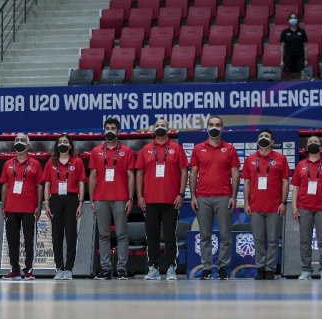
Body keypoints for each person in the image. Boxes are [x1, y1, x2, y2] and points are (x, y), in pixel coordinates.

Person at [136, 118, 188, 281]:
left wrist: (181, 194)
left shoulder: (176, 148)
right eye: (157, 125)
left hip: (171, 200)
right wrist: (139, 196)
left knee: (170, 236)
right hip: (150, 200)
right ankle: (153, 268)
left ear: (168, 129)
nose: (160, 127)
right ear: (153, 129)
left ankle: (171, 267)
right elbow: (139, 173)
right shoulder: (145, 150)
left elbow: (184, 171)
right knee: (152, 236)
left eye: (163, 126)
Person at [189, 116, 240, 280]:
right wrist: (193, 196)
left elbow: (235, 174)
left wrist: (233, 196)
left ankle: (223, 268)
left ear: (222, 129)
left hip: (224, 197)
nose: (214, 127)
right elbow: (193, 174)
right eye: (211, 125)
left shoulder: (229, 149)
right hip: (202, 197)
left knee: (225, 235)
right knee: (205, 235)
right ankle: (207, 268)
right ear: (207, 128)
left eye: (217, 125)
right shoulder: (198, 149)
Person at [88, 117, 133, 280]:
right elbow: (93, 176)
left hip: (120, 198)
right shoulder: (96, 151)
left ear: (119, 131)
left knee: (122, 235)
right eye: (107, 128)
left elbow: (130, 175)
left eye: (113, 128)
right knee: (103, 235)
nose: (110, 131)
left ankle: (122, 268)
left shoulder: (127, 151)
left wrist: (130, 198)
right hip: (101, 198)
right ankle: (105, 269)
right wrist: (92, 199)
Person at [242, 129, 290, 280]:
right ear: (257, 141)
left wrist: (283, 202)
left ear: (272, 141)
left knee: (273, 240)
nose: (263, 138)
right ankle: (260, 268)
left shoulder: (281, 158)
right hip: (255, 206)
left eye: (266, 136)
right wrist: (246, 203)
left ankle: (270, 269)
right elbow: (247, 182)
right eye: (261, 136)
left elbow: (285, 182)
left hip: (274, 206)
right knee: (258, 240)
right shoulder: (250, 159)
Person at [291, 135, 322, 280]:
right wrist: (294, 205)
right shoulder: (301, 165)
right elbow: (296, 186)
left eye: (315, 142)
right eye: (310, 142)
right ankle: (306, 270)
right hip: (304, 206)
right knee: (305, 241)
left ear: (320, 146)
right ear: (306, 147)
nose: (313, 143)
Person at [0, 133, 43, 281]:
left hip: (29, 208)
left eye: (22, 140)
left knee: (29, 240)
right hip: (11, 207)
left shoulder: (35, 164)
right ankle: (15, 270)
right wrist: (3, 206)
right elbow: (5, 186)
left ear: (28, 145)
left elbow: (39, 186)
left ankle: (29, 270)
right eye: (17, 140)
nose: (19, 142)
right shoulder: (7, 164)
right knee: (12, 240)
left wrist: (39, 205)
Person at [43, 134, 86, 280]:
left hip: (71, 199)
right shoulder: (51, 163)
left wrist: (81, 203)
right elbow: (47, 183)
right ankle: (59, 267)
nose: (62, 144)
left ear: (70, 145)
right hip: (55, 199)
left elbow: (81, 183)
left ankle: (69, 268)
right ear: (57, 145)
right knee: (56, 234)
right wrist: (46, 203)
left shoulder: (77, 161)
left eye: (65, 141)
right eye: (60, 142)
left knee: (71, 234)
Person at [279, 11, 308, 79]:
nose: (293, 19)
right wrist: (281, 60)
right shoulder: (284, 32)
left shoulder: (302, 31)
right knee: (288, 76)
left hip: (300, 57)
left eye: (295, 18)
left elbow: (305, 46)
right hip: (288, 57)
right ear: (289, 20)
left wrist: (306, 59)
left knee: (298, 75)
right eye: (291, 18)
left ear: (297, 20)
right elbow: (282, 47)